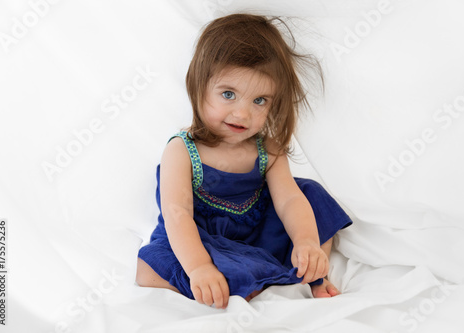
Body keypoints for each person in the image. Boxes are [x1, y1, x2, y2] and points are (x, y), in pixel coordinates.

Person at [136, 13, 352, 309]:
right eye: (228, 94)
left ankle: (313, 270)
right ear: (198, 87)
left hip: (256, 232)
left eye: (260, 100)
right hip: (201, 237)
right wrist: (200, 267)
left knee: (310, 197)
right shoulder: (183, 150)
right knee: (151, 266)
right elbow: (178, 214)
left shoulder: (269, 148)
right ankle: (229, 279)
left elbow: (288, 200)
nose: (242, 114)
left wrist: (306, 242)